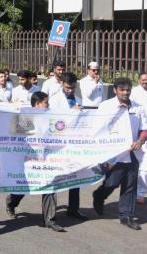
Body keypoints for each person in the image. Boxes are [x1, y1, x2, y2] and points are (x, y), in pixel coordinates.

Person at [6, 91, 71, 232]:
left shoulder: (49, 118)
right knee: (24, 186)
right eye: (46, 103)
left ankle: (49, 220)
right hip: (29, 159)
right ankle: (11, 202)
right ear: (37, 104)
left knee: (49, 186)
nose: (48, 106)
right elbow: (13, 135)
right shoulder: (26, 118)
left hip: (45, 159)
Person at [93, 77, 147, 230]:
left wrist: (140, 141)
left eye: (128, 90)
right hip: (114, 153)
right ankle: (99, 195)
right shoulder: (105, 106)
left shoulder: (138, 107)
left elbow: (144, 128)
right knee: (113, 182)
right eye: (122, 90)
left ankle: (126, 216)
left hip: (133, 152)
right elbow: (99, 128)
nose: (125, 92)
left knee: (130, 186)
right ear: (115, 90)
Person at [48, 73, 88, 221]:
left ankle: (73, 209)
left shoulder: (78, 100)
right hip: (57, 144)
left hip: (72, 144)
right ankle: (14, 200)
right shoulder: (54, 99)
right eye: (67, 87)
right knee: (53, 178)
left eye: (72, 87)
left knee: (74, 176)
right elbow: (54, 122)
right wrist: (72, 113)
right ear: (62, 85)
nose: (70, 90)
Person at [131, 72, 147, 203]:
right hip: (140, 132)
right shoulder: (134, 92)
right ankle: (139, 193)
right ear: (138, 81)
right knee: (143, 164)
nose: (145, 81)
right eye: (143, 80)